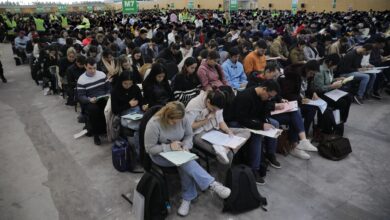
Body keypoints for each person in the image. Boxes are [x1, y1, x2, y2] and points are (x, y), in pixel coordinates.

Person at [144, 101, 231, 217]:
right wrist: (169, 147)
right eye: (173, 121)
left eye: (179, 121)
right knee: (186, 162)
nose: (176, 124)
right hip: (160, 156)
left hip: (179, 151)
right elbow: (149, 149)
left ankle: (188, 198)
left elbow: (189, 135)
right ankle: (211, 185)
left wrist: (186, 145)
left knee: (184, 162)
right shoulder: (154, 124)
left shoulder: (183, 119)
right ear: (166, 116)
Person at [229, 80, 281, 184]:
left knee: (275, 124)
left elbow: (264, 112)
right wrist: (261, 126)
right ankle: (254, 168)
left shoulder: (264, 97)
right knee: (256, 135)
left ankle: (270, 154)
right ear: (264, 89)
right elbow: (241, 119)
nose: (270, 99)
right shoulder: (245, 96)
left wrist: (265, 122)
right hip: (237, 122)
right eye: (269, 96)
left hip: (252, 119)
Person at [186, 89, 250, 165]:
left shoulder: (218, 103)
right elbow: (190, 126)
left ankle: (225, 149)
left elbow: (220, 121)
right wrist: (206, 120)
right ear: (208, 101)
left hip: (215, 129)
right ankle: (223, 174)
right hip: (199, 132)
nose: (215, 112)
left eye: (217, 110)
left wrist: (227, 130)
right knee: (229, 155)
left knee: (246, 132)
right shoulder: (194, 104)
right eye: (213, 109)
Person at [314, 54, 352, 135]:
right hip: (321, 94)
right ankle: (335, 122)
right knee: (342, 103)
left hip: (330, 91)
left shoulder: (329, 67)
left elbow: (329, 80)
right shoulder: (321, 70)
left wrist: (337, 79)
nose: (335, 67)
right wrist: (332, 86)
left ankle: (341, 121)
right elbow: (319, 88)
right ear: (330, 62)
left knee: (349, 97)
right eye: (335, 65)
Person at [77, 58, 111, 145]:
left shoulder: (102, 74)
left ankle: (109, 130)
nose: (93, 71)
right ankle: (96, 135)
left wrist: (108, 94)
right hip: (91, 101)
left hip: (103, 98)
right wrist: (89, 99)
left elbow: (108, 87)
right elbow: (81, 96)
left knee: (111, 106)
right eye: (90, 68)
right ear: (85, 67)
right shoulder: (81, 79)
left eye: (94, 68)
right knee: (94, 110)